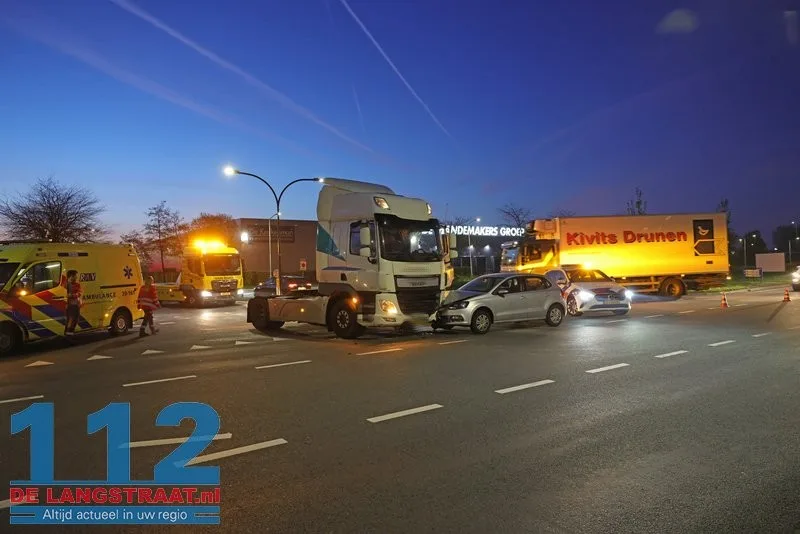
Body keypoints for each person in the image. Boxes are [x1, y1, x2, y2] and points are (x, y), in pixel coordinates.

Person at [64, 270, 82, 336]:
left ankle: (70, 333)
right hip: (70, 305)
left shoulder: (77, 284)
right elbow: (64, 294)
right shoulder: (65, 285)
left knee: (75, 320)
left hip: (76, 304)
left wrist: (72, 295)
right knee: (71, 320)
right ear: (71, 276)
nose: (76, 278)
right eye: (75, 276)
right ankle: (69, 334)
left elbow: (79, 293)